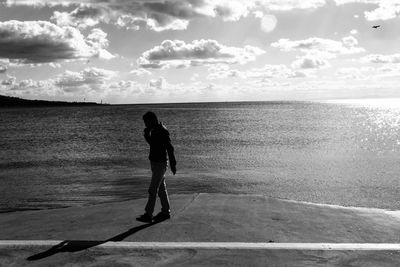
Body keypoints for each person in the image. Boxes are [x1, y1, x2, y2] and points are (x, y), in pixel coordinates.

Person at [136, 111, 176, 223]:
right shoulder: (154, 130)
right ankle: (165, 212)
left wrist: (173, 164)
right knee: (161, 189)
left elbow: (170, 148)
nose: (145, 124)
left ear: (152, 120)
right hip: (156, 163)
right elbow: (153, 144)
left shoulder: (162, 130)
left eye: (146, 122)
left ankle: (148, 214)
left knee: (152, 189)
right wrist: (147, 135)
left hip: (160, 164)